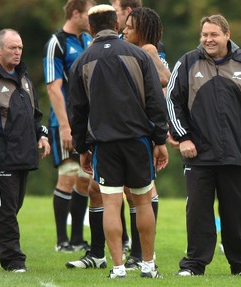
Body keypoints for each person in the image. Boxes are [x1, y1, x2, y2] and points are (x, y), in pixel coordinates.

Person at [166, 14, 241, 277]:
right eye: (204, 35)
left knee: (237, 213)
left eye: (213, 34)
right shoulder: (187, 62)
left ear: (227, 35)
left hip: (237, 153)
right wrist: (183, 137)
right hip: (198, 154)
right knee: (198, 213)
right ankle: (194, 265)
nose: (208, 39)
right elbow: (172, 102)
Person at [68, 4, 169, 279]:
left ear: (90, 29)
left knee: (111, 203)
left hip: (104, 143)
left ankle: (118, 268)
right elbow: (155, 100)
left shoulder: (82, 61)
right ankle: (147, 266)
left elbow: (77, 111)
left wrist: (82, 148)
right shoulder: (139, 55)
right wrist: (160, 138)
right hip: (138, 140)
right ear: (116, 25)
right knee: (143, 201)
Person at [0, 28, 51, 272]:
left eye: (20, 48)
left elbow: (34, 115)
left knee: (12, 207)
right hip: (0, 158)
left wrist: (42, 135)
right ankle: (14, 261)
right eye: (12, 48)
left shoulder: (24, 77)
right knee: (6, 211)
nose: (17, 52)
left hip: (23, 156)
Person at [43, 0, 96, 253]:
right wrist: (65, 127)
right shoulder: (57, 43)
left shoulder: (88, 40)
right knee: (68, 175)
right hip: (63, 123)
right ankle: (61, 240)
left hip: (86, 124)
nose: (90, 18)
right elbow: (53, 87)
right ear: (76, 13)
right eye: (87, 13)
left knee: (85, 178)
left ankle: (77, 239)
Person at [122, 5, 171, 270]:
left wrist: (148, 58)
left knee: (143, 190)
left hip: (143, 128)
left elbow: (167, 79)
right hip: (125, 126)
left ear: (143, 28)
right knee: (130, 192)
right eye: (125, 25)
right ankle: (136, 253)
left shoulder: (151, 50)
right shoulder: (122, 46)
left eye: (130, 25)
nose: (125, 29)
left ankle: (141, 254)